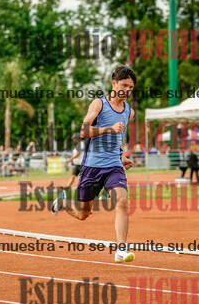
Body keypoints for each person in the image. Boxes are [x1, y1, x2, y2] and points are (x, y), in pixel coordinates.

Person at [50, 65, 136, 263]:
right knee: (83, 214)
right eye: (124, 85)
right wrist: (108, 128)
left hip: (114, 167)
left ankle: (121, 250)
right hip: (92, 167)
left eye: (131, 88)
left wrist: (122, 156)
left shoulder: (128, 112)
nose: (127, 90)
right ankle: (62, 203)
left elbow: (119, 138)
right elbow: (83, 131)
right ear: (114, 83)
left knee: (122, 201)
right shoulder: (99, 104)